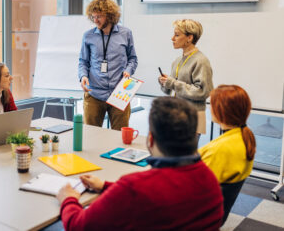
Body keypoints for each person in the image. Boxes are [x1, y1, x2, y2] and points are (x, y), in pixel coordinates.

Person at [56, 97, 223, 230]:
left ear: (150, 139)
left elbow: (78, 225)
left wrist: (68, 199)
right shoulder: (210, 180)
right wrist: (106, 186)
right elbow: (154, 195)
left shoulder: (134, 188)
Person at [78, 0, 138, 130]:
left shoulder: (125, 33)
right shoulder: (88, 36)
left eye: (99, 16)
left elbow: (133, 59)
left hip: (119, 92)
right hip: (94, 93)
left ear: (110, 16)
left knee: (119, 136)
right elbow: (83, 61)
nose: (95, 20)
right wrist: (83, 76)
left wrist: (129, 70)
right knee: (91, 135)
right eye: (93, 17)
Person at [158, 19, 213, 135]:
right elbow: (172, 90)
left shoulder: (201, 61)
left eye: (177, 35)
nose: (172, 38)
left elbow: (203, 91)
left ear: (189, 38)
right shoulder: (177, 60)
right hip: (177, 114)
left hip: (192, 117)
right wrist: (165, 82)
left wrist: (172, 83)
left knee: (183, 153)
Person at [199, 85, 256, 184]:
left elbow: (194, 185)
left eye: (212, 104)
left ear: (221, 110)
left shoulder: (219, 150)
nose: (209, 107)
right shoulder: (245, 138)